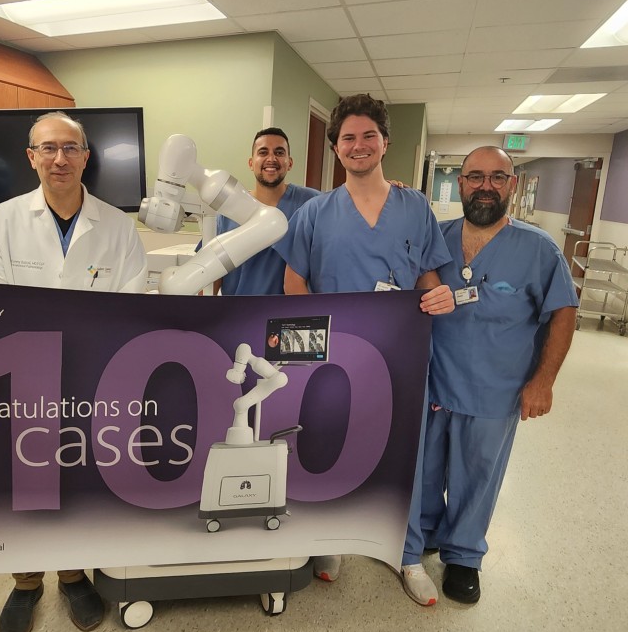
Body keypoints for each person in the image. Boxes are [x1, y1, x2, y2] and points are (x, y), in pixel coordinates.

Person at [0, 111, 147, 632]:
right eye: (48, 149)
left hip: (94, 373)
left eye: (70, 148)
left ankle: (73, 574)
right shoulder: (3, 219)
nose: (59, 159)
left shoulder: (117, 225)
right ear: (31, 157)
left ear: (86, 156)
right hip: (24, 372)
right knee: (25, 479)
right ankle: (25, 581)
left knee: (76, 475)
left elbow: (132, 303)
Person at [279, 93, 454, 592]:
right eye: (348, 138)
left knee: (404, 450)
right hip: (336, 357)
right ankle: (331, 536)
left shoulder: (414, 206)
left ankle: (409, 553)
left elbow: (428, 275)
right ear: (336, 147)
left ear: (385, 143)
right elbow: (295, 284)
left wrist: (438, 297)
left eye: (368, 136)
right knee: (331, 445)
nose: (359, 146)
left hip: (400, 354)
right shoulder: (316, 213)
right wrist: (307, 357)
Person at [405, 146, 578, 604]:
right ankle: (424, 533)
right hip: (434, 379)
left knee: (477, 473)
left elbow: (563, 312)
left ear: (512, 186)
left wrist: (543, 382)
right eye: (475, 176)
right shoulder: (436, 238)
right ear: (458, 183)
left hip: (493, 388)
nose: (485, 186)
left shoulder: (537, 248)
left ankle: (463, 555)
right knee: (423, 466)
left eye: (497, 177)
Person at [217, 127, 318, 295]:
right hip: (236, 312)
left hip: (288, 316)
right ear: (251, 163)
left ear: (290, 163)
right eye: (263, 152)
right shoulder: (229, 208)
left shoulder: (310, 203)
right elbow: (212, 273)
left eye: (279, 153)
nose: (271, 159)